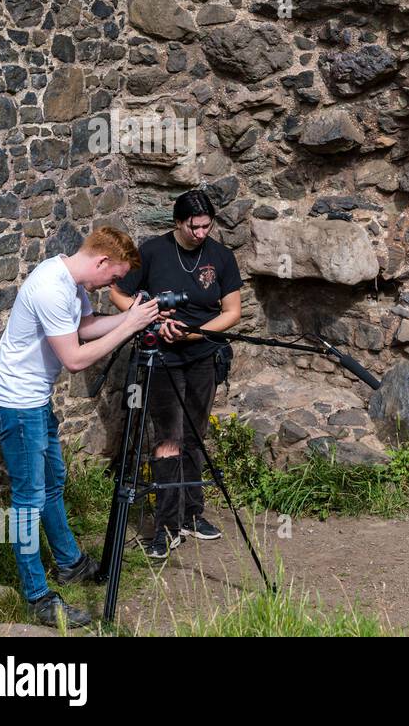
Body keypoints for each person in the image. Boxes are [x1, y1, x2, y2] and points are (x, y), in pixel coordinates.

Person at [0, 227, 163, 627]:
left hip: (32, 400)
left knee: (52, 484)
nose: (112, 284)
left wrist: (128, 317)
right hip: (16, 403)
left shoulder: (69, 280)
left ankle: (70, 563)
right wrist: (129, 327)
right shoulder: (50, 286)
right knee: (28, 501)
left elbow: (84, 326)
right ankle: (37, 598)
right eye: (114, 276)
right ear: (100, 261)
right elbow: (76, 358)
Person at [110, 189, 242, 560]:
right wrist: (150, 316)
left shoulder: (220, 256)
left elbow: (232, 311)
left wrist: (195, 332)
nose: (201, 232)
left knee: (195, 436)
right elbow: (118, 295)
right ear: (178, 223)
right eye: (193, 226)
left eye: (206, 225)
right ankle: (166, 525)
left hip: (203, 354)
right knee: (168, 438)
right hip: (161, 358)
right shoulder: (152, 250)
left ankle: (192, 514)